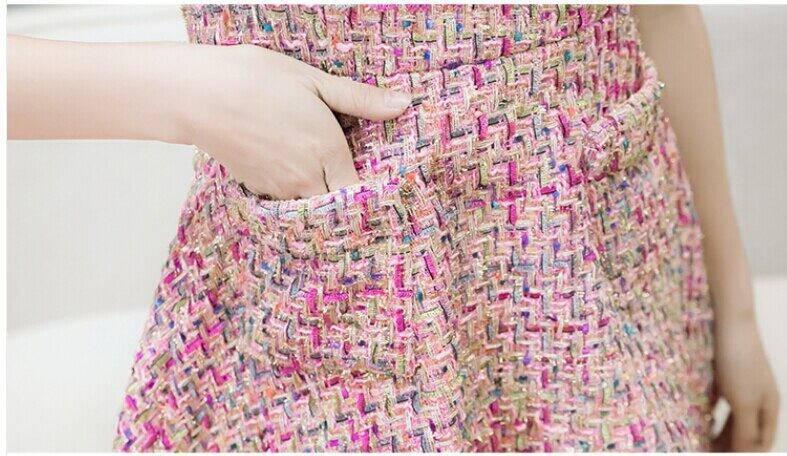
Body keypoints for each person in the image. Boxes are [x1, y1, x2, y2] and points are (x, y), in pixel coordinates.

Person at [7, 4, 778, 452]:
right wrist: (192, 94)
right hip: (337, 278)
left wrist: (732, 307)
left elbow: (656, 10)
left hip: (612, 273)